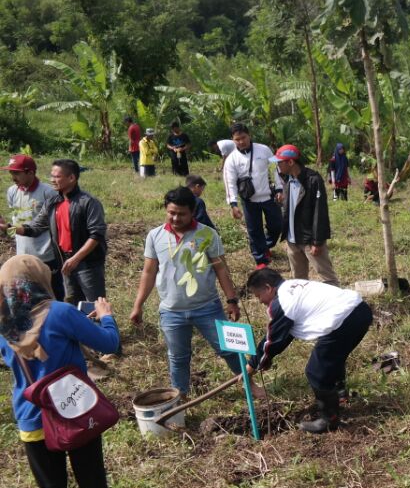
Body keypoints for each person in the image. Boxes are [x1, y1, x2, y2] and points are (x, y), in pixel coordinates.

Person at [0, 255, 120, 488]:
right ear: (40, 280)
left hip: (32, 421)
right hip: (75, 414)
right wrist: (106, 318)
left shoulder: (4, 323)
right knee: (93, 484)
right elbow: (109, 343)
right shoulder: (61, 313)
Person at [128, 187, 244, 398]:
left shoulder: (207, 234)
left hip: (207, 307)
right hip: (171, 311)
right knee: (178, 358)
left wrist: (232, 300)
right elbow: (149, 272)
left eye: (181, 214)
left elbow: (221, 269)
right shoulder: (155, 236)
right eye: (171, 212)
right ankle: (181, 398)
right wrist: (138, 305)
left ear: (192, 212)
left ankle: (248, 384)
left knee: (228, 349)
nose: (175, 218)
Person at [243, 269, 373, 434]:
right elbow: (284, 334)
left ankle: (329, 419)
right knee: (333, 357)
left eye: (258, 296)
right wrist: (264, 360)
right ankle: (339, 393)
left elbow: (274, 340)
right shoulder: (293, 286)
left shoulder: (283, 302)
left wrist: (253, 366)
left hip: (344, 320)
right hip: (360, 310)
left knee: (316, 371)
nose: (260, 301)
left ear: (268, 288)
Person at [13, 160, 108, 303]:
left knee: (95, 306)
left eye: (57, 176)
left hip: (87, 264)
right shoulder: (53, 202)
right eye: (51, 176)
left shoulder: (88, 202)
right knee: (73, 304)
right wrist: (9, 228)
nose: (52, 180)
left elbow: (97, 234)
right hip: (65, 263)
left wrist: (75, 259)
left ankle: (103, 326)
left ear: (71, 178)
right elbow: (35, 227)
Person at [273, 144, 339, 285]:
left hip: (309, 240)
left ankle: (338, 304)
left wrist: (317, 241)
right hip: (292, 239)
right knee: (298, 281)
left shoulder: (312, 180)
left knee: (327, 278)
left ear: (290, 162)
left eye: (279, 162)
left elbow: (319, 212)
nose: (277, 166)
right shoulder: (286, 180)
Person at [2, 154, 64, 301]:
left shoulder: (48, 192)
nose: (13, 177)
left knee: (53, 294)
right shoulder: (12, 191)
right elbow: (15, 220)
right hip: (22, 254)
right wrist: (6, 228)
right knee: (27, 297)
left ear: (30, 172)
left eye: (16, 173)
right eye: (11, 172)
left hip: (45, 255)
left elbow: (50, 224)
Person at [222, 124, 282, 270]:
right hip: (249, 200)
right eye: (237, 139)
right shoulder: (231, 159)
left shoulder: (264, 149)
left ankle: (266, 245)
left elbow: (276, 169)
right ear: (233, 140)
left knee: (277, 225)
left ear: (249, 135)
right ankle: (260, 259)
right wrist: (233, 204)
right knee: (254, 230)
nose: (241, 141)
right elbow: (229, 182)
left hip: (269, 196)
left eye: (243, 137)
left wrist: (280, 188)